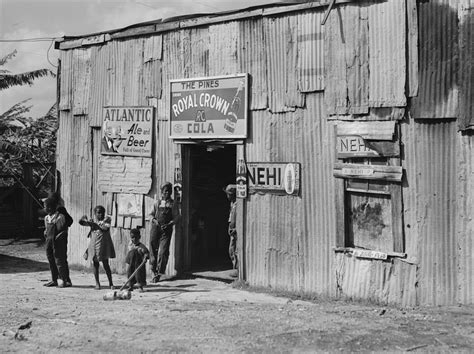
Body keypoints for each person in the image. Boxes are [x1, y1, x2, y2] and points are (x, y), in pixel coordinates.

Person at [79, 205, 116, 290]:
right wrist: (83, 219)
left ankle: (111, 283)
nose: (101, 214)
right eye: (98, 213)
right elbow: (81, 223)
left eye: (102, 212)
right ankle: (97, 283)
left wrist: (93, 224)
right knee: (95, 264)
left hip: (103, 247)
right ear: (95, 214)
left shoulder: (106, 221)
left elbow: (104, 228)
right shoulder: (93, 222)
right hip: (94, 246)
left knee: (106, 264)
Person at [149, 182, 179, 283]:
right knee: (153, 250)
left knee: (163, 252)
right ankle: (153, 271)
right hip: (155, 228)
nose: (167, 193)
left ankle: (159, 273)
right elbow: (151, 215)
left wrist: (170, 223)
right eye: (165, 191)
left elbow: (176, 217)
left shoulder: (173, 203)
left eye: (169, 191)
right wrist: (155, 221)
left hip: (166, 230)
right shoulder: (157, 202)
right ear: (161, 192)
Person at [43, 197, 72, 288]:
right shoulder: (47, 218)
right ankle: (54, 280)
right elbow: (47, 229)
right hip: (49, 242)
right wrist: (46, 233)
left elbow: (64, 229)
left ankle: (65, 280)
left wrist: (59, 236)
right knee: (51, 260)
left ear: (52, 207)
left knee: (60, 260)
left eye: (46, 207)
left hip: (59, 242)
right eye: (45, 207)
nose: (45, 209)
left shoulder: (60, 217)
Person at [125, 228, 149, 292]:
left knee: (139, 275)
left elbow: (147, 253)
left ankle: (140, 287)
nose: (134, 239)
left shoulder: (142, 246)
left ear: (139, 237)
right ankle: (131, 286)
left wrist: (145, 257)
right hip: (131, 264)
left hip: (138, 264)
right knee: (130, 273)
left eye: (136, 237)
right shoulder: (130, 245)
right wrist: (128, 262)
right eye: (132, 237)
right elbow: (129, 254)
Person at [223, 184, 238, 277]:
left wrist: (236, 228)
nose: (227, 196)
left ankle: (237, 269)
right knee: (231, 249)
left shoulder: (237, 205)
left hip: (236, 230)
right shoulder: (232, 204)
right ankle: (235, 267)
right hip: (232, 228)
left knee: (234, 249)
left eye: (228, 194)